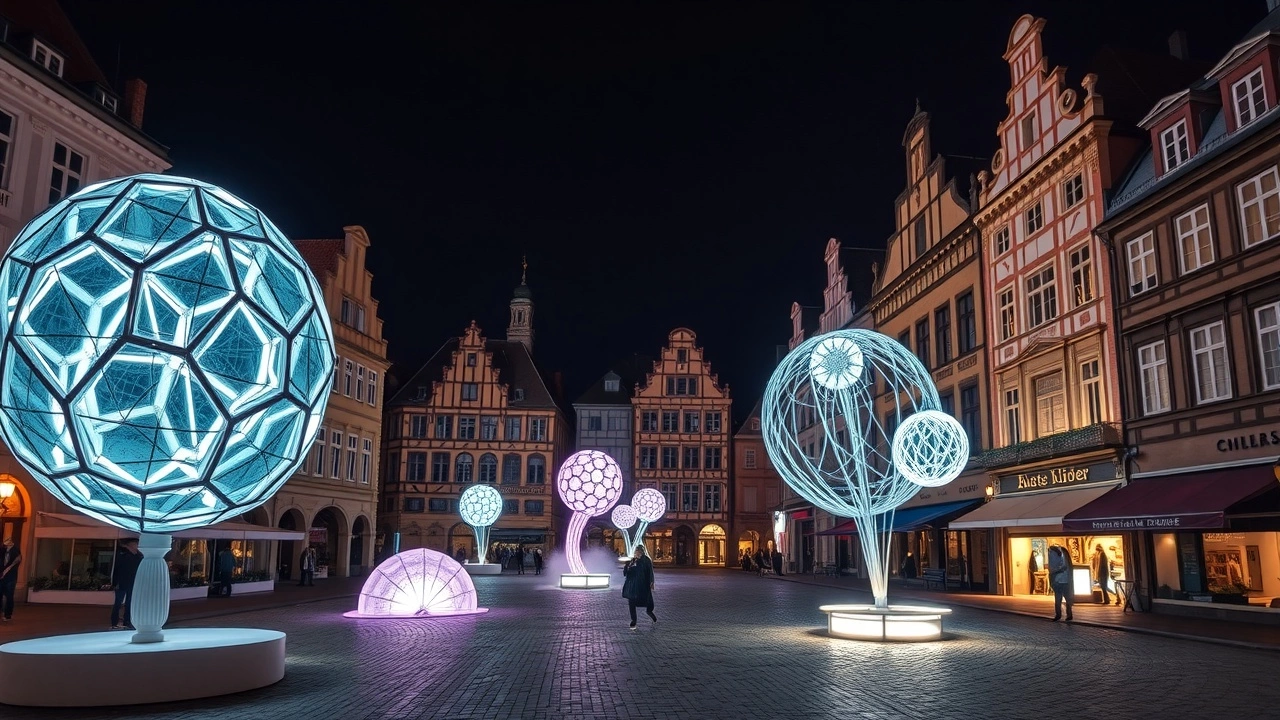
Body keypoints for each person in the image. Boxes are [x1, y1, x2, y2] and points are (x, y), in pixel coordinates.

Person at [621, 545, 656, 630]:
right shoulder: (632, 561)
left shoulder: (646, 560)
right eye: (635, 551)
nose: (635, 552)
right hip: (632, 586)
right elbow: (626, 573)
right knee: (631, 603)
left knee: (647, 602)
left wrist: (651, 582)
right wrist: (626, 566)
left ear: (641, 551)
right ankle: (634, 621)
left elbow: (650, 572)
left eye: (637, 551)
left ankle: (650, 613)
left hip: (642, 585)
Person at [110, 538, 142, 629]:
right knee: (118, 603)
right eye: (136, 544)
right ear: (130, 545)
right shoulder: (123, 555)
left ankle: (127, 621)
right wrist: (115, 583)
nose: (137, 546)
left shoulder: (137, 556)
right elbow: (116, 570)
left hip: (131, 583)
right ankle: (115, 622)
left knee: (129, 603)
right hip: (122, 583)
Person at [1048, 544, 1073, 622]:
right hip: (1065, 581)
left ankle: (1059, 615)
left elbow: (1056, 568)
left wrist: (1054, 573)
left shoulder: (1055, 554)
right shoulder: (1064, 556)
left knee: (1058, 599)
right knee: (1067, 598)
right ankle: (1069, 614)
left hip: (1058, 581)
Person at [0, 538, 19, 622]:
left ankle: (8, 615)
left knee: (9, 596)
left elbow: (15, 564)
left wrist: (5, 572)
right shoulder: (2, 550)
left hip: (10, 577)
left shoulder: (16, 551)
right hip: (1, 576)